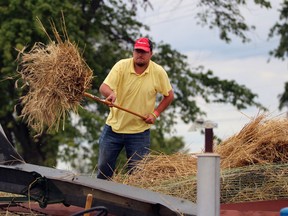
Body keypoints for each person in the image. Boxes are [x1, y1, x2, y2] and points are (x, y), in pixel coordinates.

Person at [97, 37, 174, 179]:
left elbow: (169, 96)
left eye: (144, 52)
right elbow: (104, 87)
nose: (140, 54)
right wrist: (111, 94)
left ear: (151, 54)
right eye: (137, 51)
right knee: (103, 168)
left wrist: (155, 114)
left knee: (138, 176)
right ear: (133, 52)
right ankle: (99, 201)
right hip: (113, 128)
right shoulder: (121, 66)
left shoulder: (158, 72)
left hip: (139, 132)